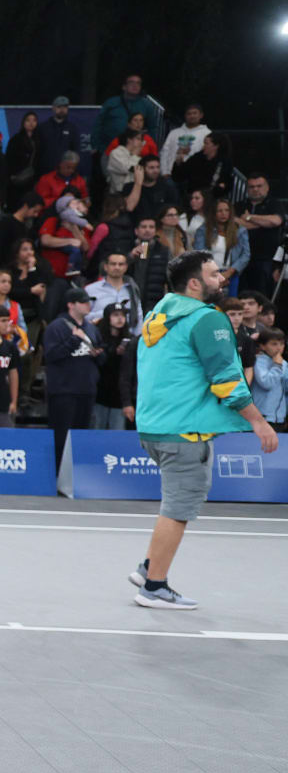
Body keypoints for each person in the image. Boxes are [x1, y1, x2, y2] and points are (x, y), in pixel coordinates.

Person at [128, 250, 278, 609]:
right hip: (185, 432)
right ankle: (154, 587)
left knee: (172, 503)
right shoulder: (207, 320)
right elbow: (227, 380)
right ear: (194, 283)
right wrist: (258, 421)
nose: (222, 279)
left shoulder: (160, 311)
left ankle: (148, 566)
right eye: (213, 275)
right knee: (178, 509)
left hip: (154, 426)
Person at [41, 287, 102, 463]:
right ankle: (57, 473)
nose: (87, 305)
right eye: (83, 302)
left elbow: (100, 353)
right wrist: (74, 340)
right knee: (61, 435)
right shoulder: (57, 327)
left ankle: (77, 474)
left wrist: (99, 354)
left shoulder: (91, 328)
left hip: (86, 388)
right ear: (71, 305)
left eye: (88, 302)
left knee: (81, 435)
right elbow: (51, 355)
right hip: (64, 390)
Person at [235, 175, 286, 294]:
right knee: (241, 295)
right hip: (241, 258)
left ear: (267, 187)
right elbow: (235, 223)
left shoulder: (275, 204)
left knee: (262, 296)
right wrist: (263, 223)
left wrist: (249, 217)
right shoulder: (239, 205)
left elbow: (276, 221)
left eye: (259, 186)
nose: (255, 189)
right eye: (252, 187)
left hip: (266, 259)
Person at [92, 73, 162, 153]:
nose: (135, 85)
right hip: (109, 149)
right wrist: (95, 146)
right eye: (131, 82)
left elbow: (152, 128)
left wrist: (147, 146)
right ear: (124, 87)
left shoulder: (146, 105)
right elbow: (98, 124)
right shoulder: (111, 103)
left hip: (137, 152)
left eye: (138, 83)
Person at [92, 303, 135, 428]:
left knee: (117, 434)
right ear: (107, 317)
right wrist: (112, 353)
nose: (120, 318)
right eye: (115, 315)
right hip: (100, 395)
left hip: (120, 397)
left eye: (122, 315)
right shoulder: (98, 337)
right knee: (97, 431)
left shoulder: (129, 339)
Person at [193, 198, 249, 290]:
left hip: (231, 273)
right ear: (213, 213)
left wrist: (228, 273)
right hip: (209, 273)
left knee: (230, 303)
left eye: (227, 210)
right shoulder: (203, 230)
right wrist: (215, 274)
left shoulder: (240, 230)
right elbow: (199, 253)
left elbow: (246, 254)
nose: (224, 213)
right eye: (219, 211)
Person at [173, 132, 237, 204]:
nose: (203, 146)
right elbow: (178, 177)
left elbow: (226, 184)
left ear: (216, 146)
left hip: (212, 200)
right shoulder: (197, 158)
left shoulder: (225, 162)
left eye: (206, 143)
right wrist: (178, 162)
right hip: (193, 198)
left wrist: (219, 188)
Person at [85, 249, 143, 322]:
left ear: (126, 267)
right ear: (105, 267)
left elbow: (138, 316)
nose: (117, 267)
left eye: (121, 264)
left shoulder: (132, 289)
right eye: (113, 264)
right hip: (99, 331)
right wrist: (107, 314)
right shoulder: (91, 289)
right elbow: (84, 316)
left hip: (127, 332)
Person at [159, 104, 208, 178]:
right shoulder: (174, 133)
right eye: (189, 113)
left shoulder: (207, 133)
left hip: (195, 176)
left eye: (195, 113)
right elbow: (164, 153)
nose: (192, 116)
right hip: (171, 175)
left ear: (201, 115)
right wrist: (164, 172)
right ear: (185, 116)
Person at [252, 327, 287, 430]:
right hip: (262, 417)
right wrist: (277, 366)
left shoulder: (282, 363)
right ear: (263, 346)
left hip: (279, 418)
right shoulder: (258, 362)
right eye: (274, 344)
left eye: (282, 344)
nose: (279, 348)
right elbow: (267, 383)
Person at [5, 111, 41, 196]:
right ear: (23, 122)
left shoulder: (39, 139)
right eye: (28, 120)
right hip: (17, 177)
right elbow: (9, 159)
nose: (31, 123)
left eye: (34, 120)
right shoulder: (16, 139)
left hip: (33, 178)